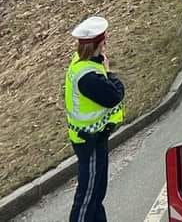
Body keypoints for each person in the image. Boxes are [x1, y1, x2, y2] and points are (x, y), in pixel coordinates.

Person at [66, 16, 124, 222]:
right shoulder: (89, 77)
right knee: (88, 195)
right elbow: (115, 95)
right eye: (104, 42)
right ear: (98, 45)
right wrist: (110, 73)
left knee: (97, 191)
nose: (106, 45)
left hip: (94, 137)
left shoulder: (82, 62)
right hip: (89, 141)